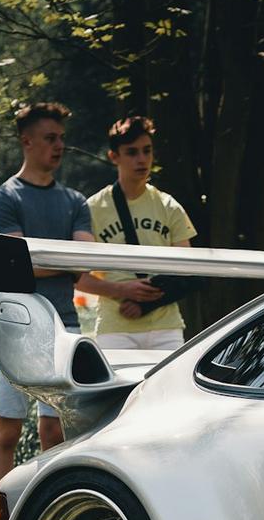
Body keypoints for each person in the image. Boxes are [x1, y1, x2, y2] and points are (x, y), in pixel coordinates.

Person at [0, 101, 94, 496]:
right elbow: (14, 266)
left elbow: (82, 265)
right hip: (15, 325)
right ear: (26, 142)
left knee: (56, 429)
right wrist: (53, 260)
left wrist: (38, 260)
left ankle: (52, 508)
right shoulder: (3, 199)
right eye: (50, 138)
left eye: (62, 138)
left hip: (64, 324)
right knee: (7, 430)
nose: (59, 146)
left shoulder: (76, 201)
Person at [78, 115, 197, 350]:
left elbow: (188, 271)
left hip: (167, 328)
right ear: (114, 156)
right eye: (132, 152)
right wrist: (121, 290)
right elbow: (78, 278)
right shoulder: (93, 208)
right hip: (115, 328)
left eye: (147, 151)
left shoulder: (168, 205)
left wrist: (146, 302)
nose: (142, 160)